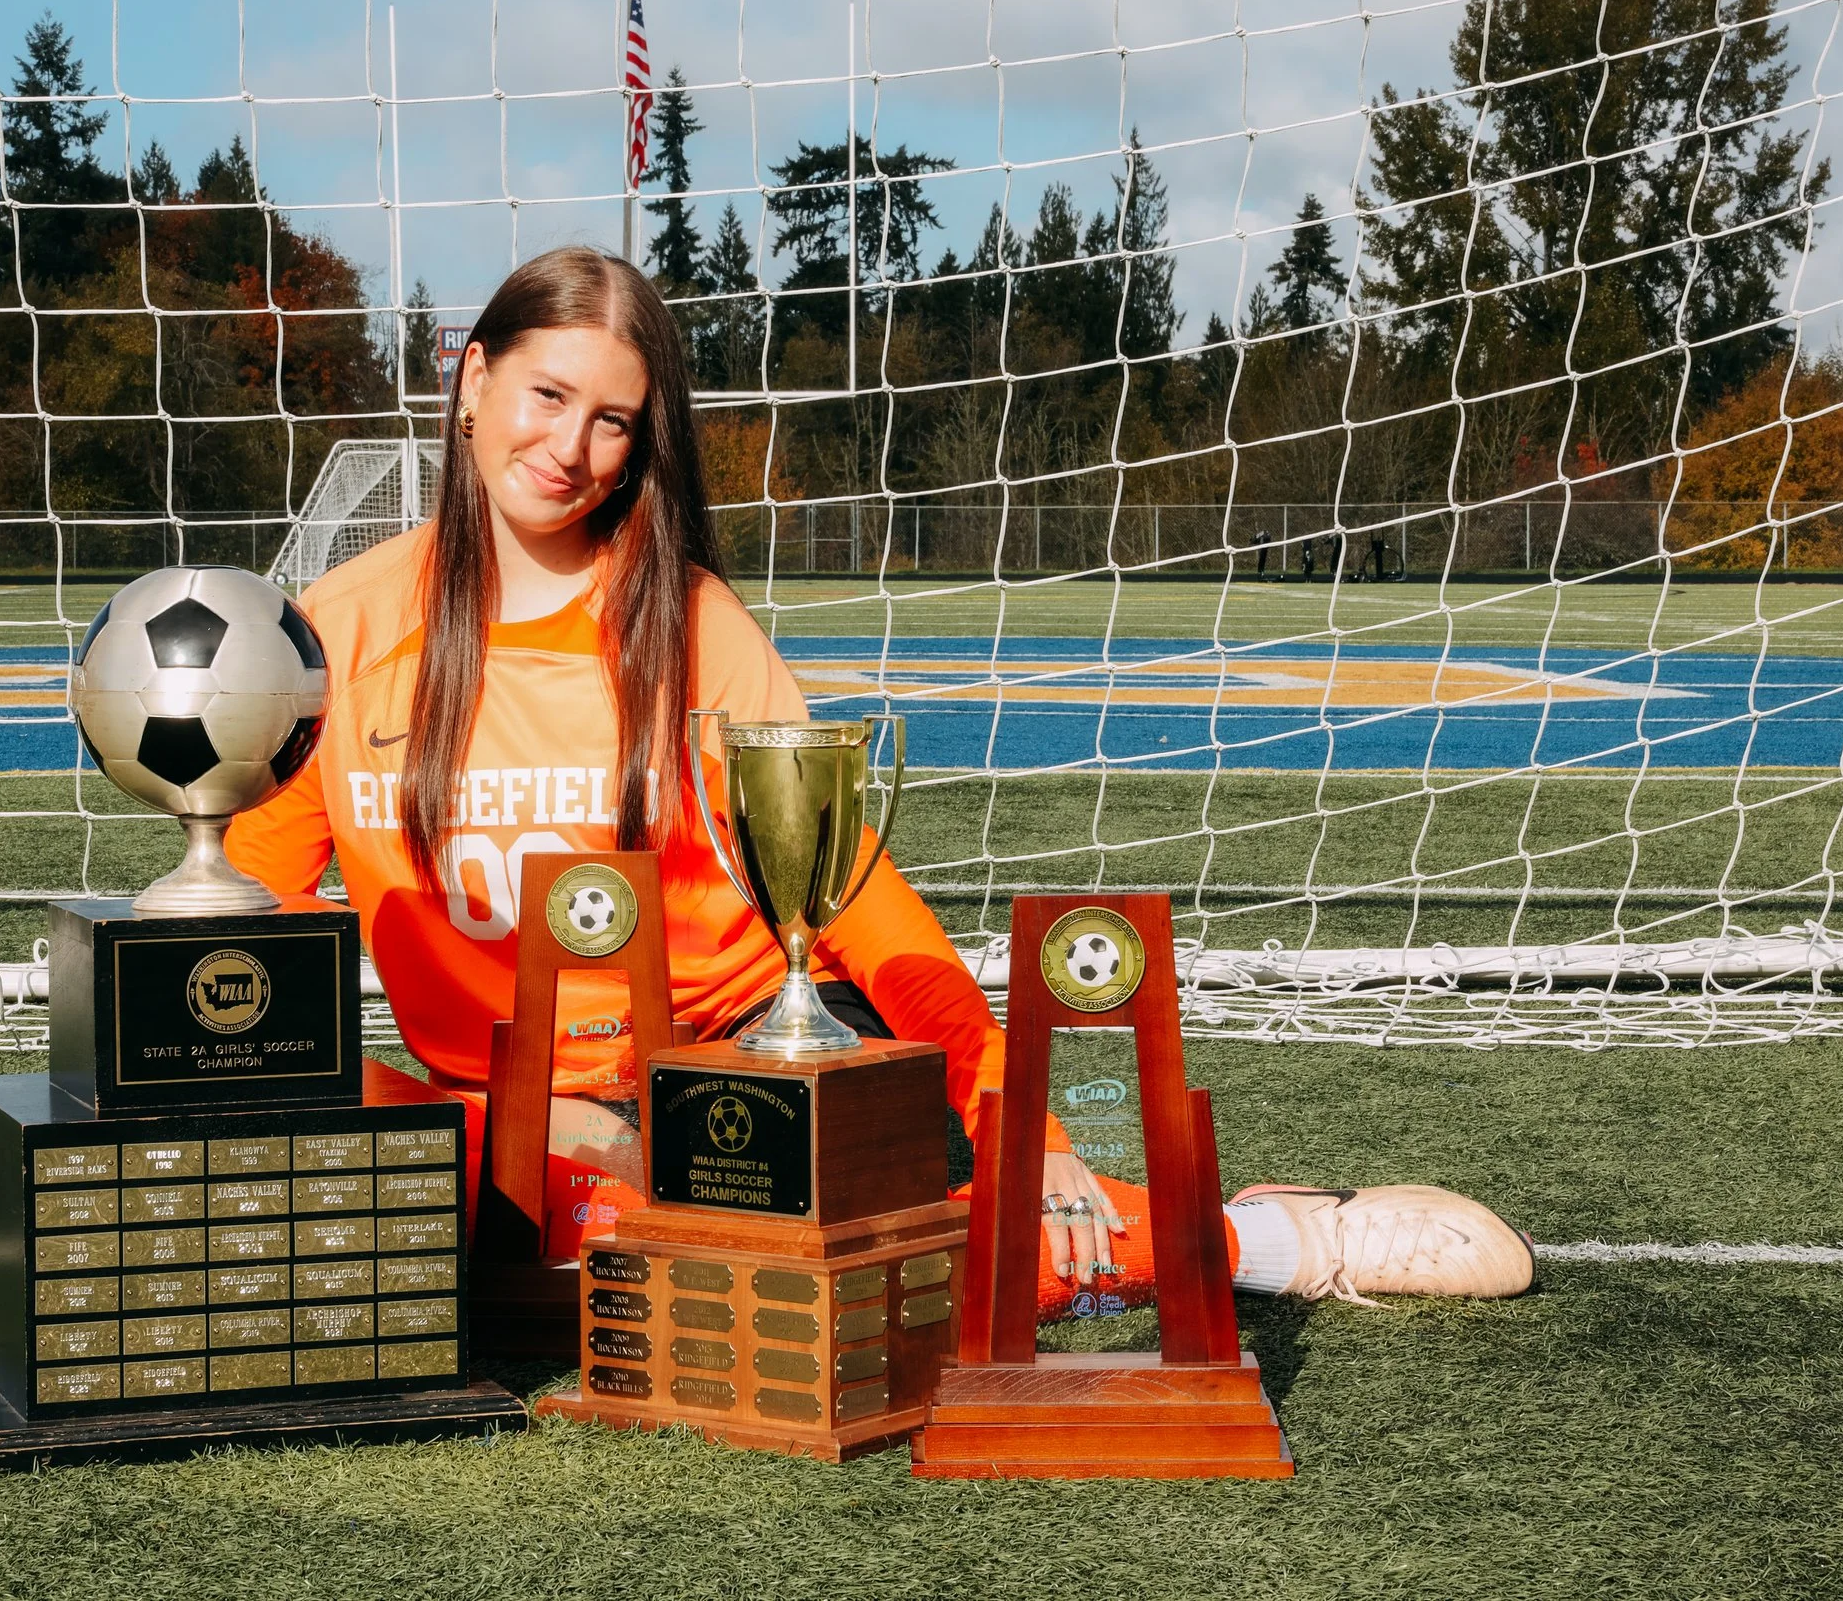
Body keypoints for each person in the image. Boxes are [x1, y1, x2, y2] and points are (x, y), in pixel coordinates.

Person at [226, 248, 1532, 1316]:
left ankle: (1255, 1239)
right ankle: (558, 1206)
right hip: (489, 1110)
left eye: (612, 416)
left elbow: (852, 897)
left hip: (731, 1080)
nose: (570, 444)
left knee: (943, 1263)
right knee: (274, 1161)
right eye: (546, 394)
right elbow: (248, 931)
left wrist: (1022, 1116)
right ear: (471, 379)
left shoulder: (691, 624)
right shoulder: (331, 632)